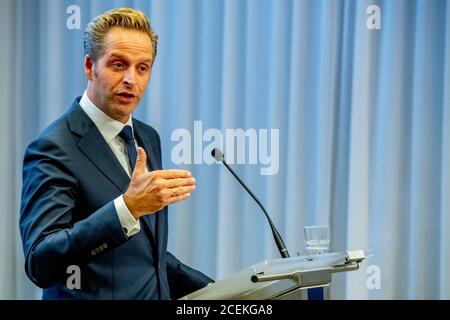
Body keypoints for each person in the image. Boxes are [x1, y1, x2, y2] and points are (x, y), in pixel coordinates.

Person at [19, 8, 213, 300]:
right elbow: (41, 262)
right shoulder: (53, 147)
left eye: (142, 68)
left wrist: (225, 289)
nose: (131, 80)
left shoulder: (147, 137)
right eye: (118, 65)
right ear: (89, 66)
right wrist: (127, 208)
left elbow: (145, 257)